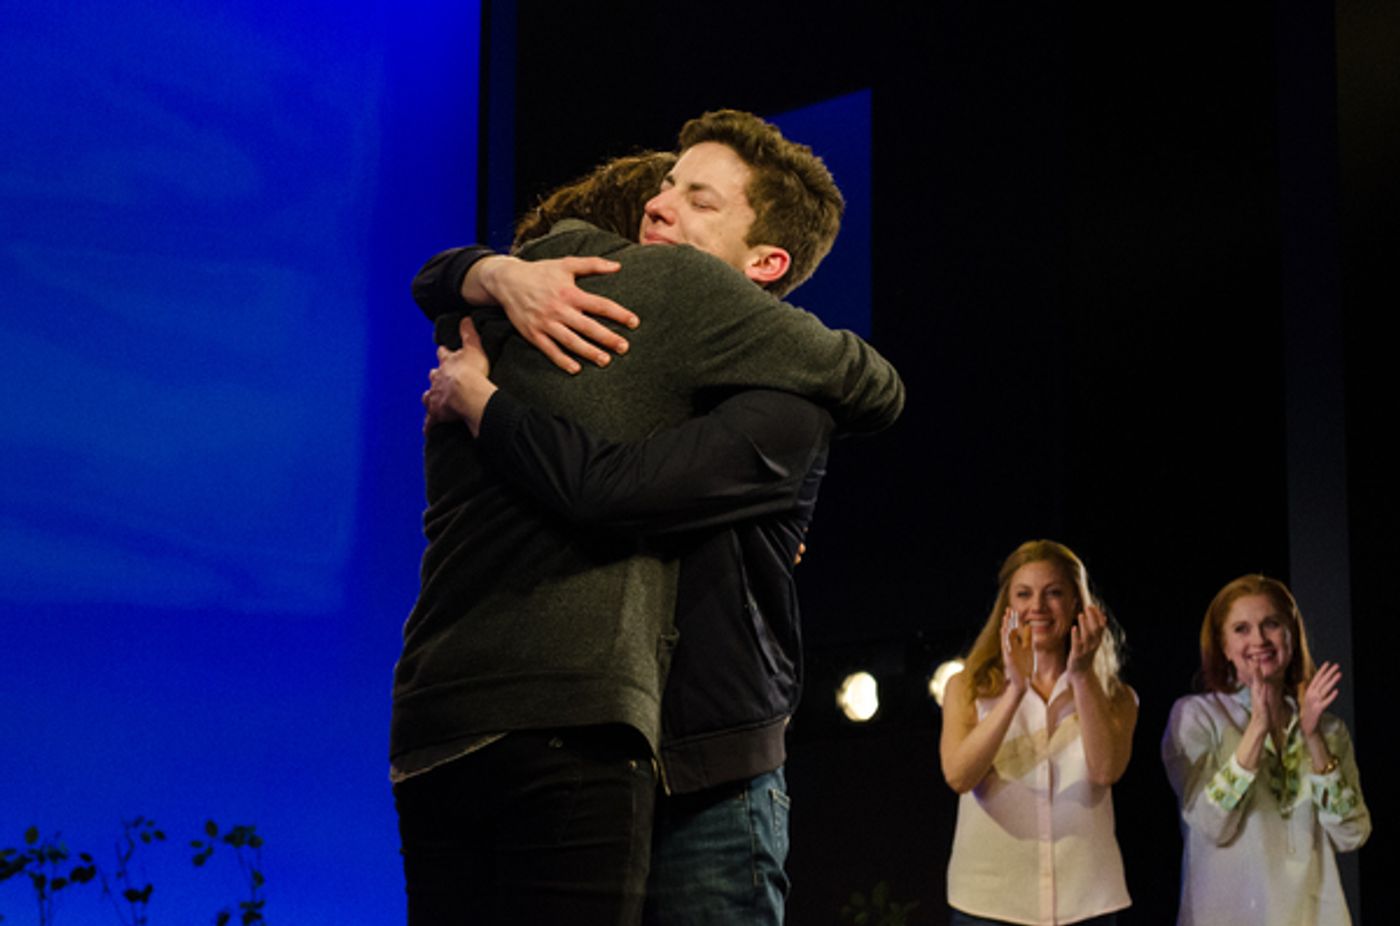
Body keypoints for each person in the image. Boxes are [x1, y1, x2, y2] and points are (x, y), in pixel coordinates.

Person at [391, 111, 902, 925]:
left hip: (708, 775)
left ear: (766, 262)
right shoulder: (615, 345)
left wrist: (483, 401)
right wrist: (493, 274)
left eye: (699, 200)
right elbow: (437, 278)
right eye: (664, 188)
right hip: (600, 748)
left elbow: (613, 489)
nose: (661, 208)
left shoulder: (786, 401)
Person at [939, 540, 1135, 926]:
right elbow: (959, 775)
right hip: (991, 904)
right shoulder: (967, 687)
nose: (1038, 608)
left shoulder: (1116, 696)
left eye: (1054, 593)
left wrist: (1080, 676)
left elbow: (1105, 770)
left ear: (1078, 604)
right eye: (1024, 594)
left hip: (1086, 903)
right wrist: (1015, 689)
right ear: (1007, 608)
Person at [1161, 575, 1370, 926]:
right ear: (1224, 646)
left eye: (1271, 624)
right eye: (1241, 629)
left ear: (1291, 635)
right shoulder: (1197, 716)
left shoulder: (1327, 728)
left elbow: (1351, 834)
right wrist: (1257, 728)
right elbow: (1211, 824)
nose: (1259, 639)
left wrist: (1313, 738)